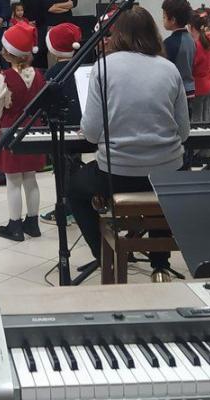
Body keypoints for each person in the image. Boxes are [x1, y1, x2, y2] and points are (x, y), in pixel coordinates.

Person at [68, 6, 189, 283]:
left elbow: (91, 133)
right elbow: (183, 131)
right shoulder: (169, 69)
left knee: (74, 189)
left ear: (117, 34)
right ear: (153, 34)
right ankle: (160, 265)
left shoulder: (104, 67)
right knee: (169, 183)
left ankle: (104, 256)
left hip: (117, 175)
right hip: (166, 174)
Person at [0, 21, 45, 242]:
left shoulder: (5, 78)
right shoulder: (39, 74)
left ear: (7, 52)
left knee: (13, 181)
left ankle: (15, 226)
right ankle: (33, 223)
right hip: (34, 129)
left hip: (11, 129)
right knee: (31, 177)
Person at [39, 22, 81, 225]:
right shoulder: (81, 68)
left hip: (61, 128)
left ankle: (65, 209)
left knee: (62, 169)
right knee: (75, 165)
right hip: (82, 126)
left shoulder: (52, 72)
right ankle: (77, 204)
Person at [162, 0, 195, 98]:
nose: (162, 20)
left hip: (178, 90)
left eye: (164, 17)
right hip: (190, 88)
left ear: (172, 20)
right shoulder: (190, 38)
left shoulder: (169, 43)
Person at [188, 11, 210, 122]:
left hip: (198, 85)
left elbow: (193, 64)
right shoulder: (206, 41)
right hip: (207, 83)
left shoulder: (195, 45)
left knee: (196, 119)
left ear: (191, 27)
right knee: (205, 117)